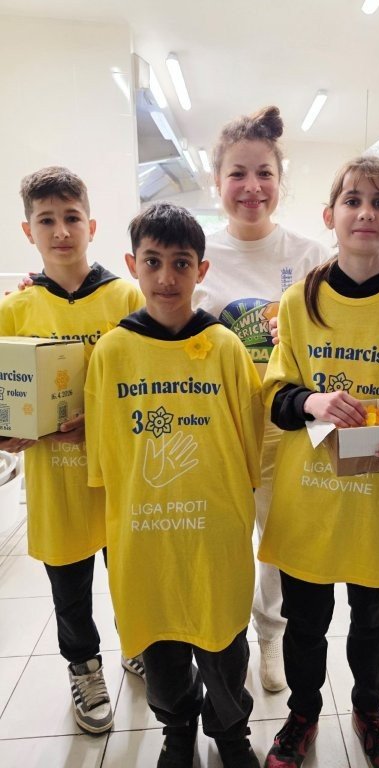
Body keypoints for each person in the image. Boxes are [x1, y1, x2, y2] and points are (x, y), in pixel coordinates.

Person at [258, 156, 379, 768]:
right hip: (310, 496)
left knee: (372, 618)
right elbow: (277, 395)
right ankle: (302, 714)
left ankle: (369, 711)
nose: (366, 213)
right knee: (305, 620)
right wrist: (312, 401)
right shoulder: (299, 301)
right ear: (329, 215)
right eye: (353, 201)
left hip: (376, 490)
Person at [84, 202, 264, 768]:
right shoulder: (113, 351)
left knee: (223, 644)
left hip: (215, 529)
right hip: (144, 531)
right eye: (153, 262)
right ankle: (177, 728)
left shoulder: (225, 347)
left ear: (201, 271)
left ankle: (231, 733)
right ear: (131, 265)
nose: (166, 277)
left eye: (181, 263)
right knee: (159, 645)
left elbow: (250, 442)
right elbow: (105, 454)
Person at [0, 166, 144, 734]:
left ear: (92, 225)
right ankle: (84, 667)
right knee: (68, 584)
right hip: (55, 479)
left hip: (119, 475)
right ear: (28, 230)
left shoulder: (127, 296)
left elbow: (147, 382)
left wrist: (102, 422)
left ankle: (138, 644)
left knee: (130, 571)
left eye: (71, 218)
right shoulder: (15, 310)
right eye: (46, 221)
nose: (61, 231)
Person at [193, 105, 328, 692]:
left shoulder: (309, 255)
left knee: (276, 541)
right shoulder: (197, 255)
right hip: (218, 429)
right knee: (222, 541)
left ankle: (270, 636)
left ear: (280, 179)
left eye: (264, 173)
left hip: (287, 429)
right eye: (238, 173)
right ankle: (223, 639)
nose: (252, 187)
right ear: (216, 180)